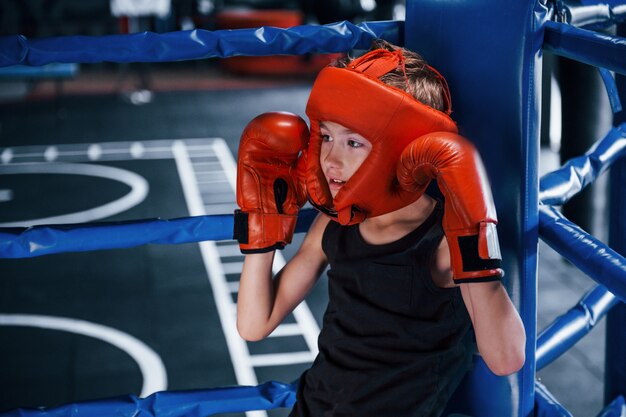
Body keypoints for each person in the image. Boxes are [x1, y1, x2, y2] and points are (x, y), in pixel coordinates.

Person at [233, 39, 526, 417]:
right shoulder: (333, 223)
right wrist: (262, 226)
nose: (330, 159)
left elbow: (506, 358)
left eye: (353, 142)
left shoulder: (442, 242)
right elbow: (254, 325)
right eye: (326, 137)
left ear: (408, 151)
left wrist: (473, 233)